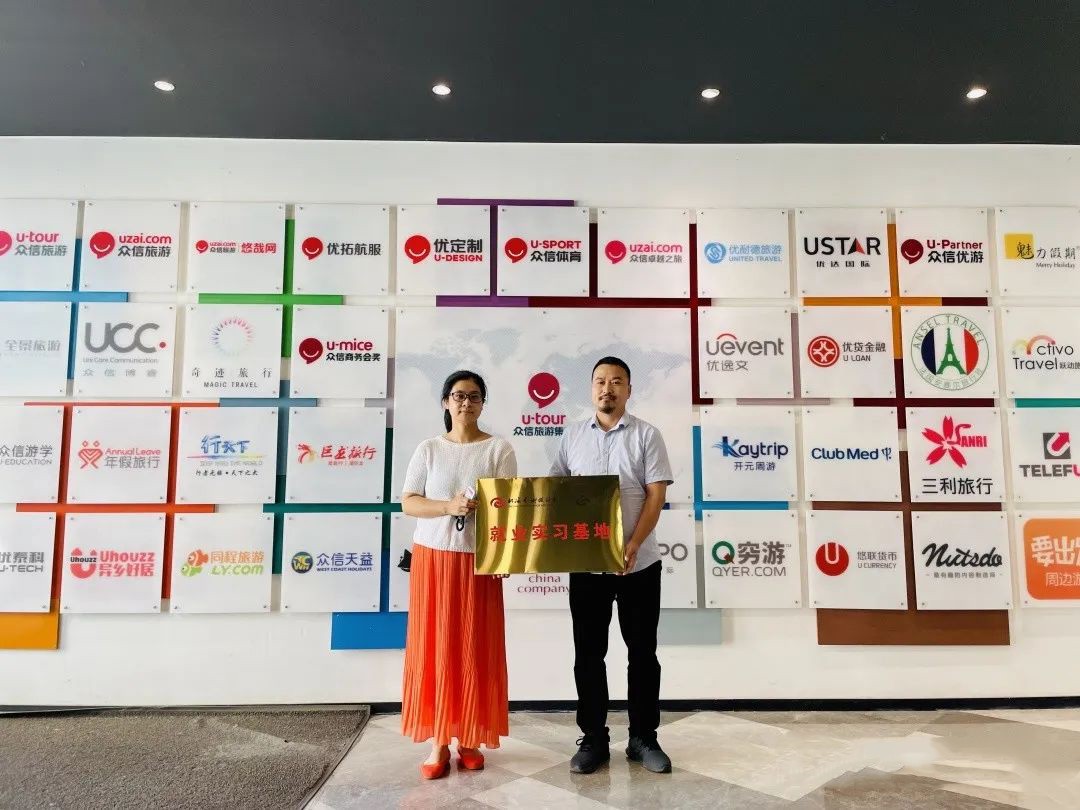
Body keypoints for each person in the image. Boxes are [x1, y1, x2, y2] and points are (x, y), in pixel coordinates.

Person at [550, 356, 674, 775]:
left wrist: (634, 544)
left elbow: (656, 495)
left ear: (628, 390)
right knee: (588, 655)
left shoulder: (647, 435)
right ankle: (593, 739)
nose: (608, 388)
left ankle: (643, 738)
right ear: (591, 389)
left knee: (643, 654)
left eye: (617, 381)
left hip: (639, 564)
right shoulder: (571, 437)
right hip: (587, 567)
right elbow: (555, 493)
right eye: (600, 381)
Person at [400, 370, 518, 779]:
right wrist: (446, 507)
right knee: (434, 648)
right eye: (458, 395)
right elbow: (409, 502)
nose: (466, 402)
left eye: (474, 396)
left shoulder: (498, 449)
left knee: (474, 649)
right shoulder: (429, 449)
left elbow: (510, 509)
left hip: (478, 563)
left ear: (483, 403)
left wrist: (505, 556)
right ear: (445, 403)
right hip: (433, 560)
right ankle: (438, 740)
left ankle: (469, 737)